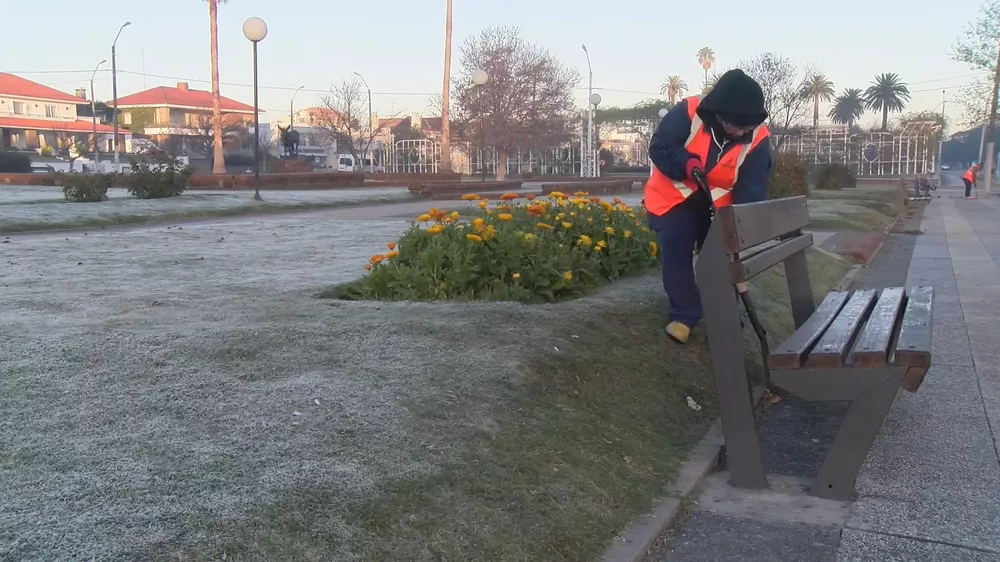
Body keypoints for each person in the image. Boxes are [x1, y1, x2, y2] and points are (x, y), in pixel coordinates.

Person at [646, 69, 772, 344]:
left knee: (719, 259)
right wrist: (686, 163)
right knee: (677, 247)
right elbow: (660, 147)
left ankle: (725, 316)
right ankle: (684, 315)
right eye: (736, 126)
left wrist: (737, 232)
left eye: (746, 128)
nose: (741, 132)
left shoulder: (759, 139)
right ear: (719, 115)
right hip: (673, 197)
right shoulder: (689, 112)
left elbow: (751, 190)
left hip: (720, 207)